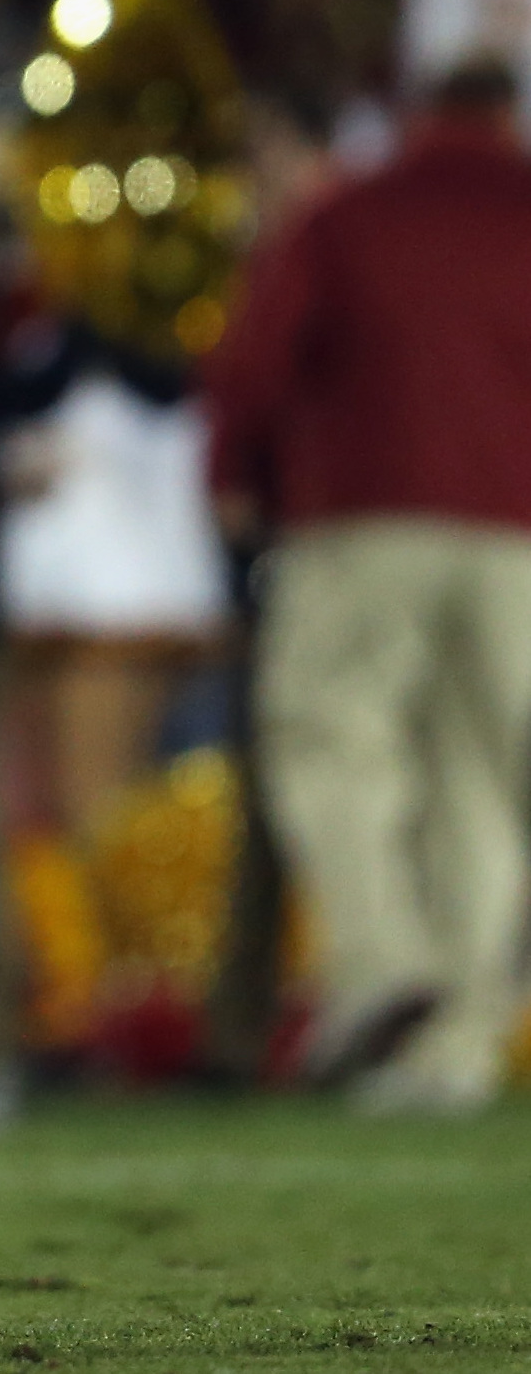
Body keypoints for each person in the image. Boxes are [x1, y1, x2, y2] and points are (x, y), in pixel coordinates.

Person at [204, 59, 531, 1113]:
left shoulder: (349, 213)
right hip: (515, 533)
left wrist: (231, 473)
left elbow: (253, 357)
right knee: (479, 781)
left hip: (360, 511)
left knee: (326, 735)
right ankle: (454, 1051)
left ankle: (381, 958)